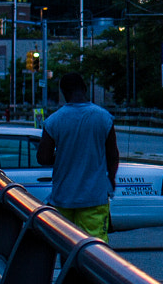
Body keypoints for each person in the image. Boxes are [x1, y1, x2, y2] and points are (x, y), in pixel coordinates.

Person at [38, 73, 118, 241]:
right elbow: (112, 155)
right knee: (96, 252)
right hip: (94, 198)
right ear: (85, 88)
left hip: (63, 198)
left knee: (66, 249)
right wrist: (110, 179)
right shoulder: (104, 118)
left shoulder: (54, 121)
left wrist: (65, 156)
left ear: (63, 92)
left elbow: (43, 158)